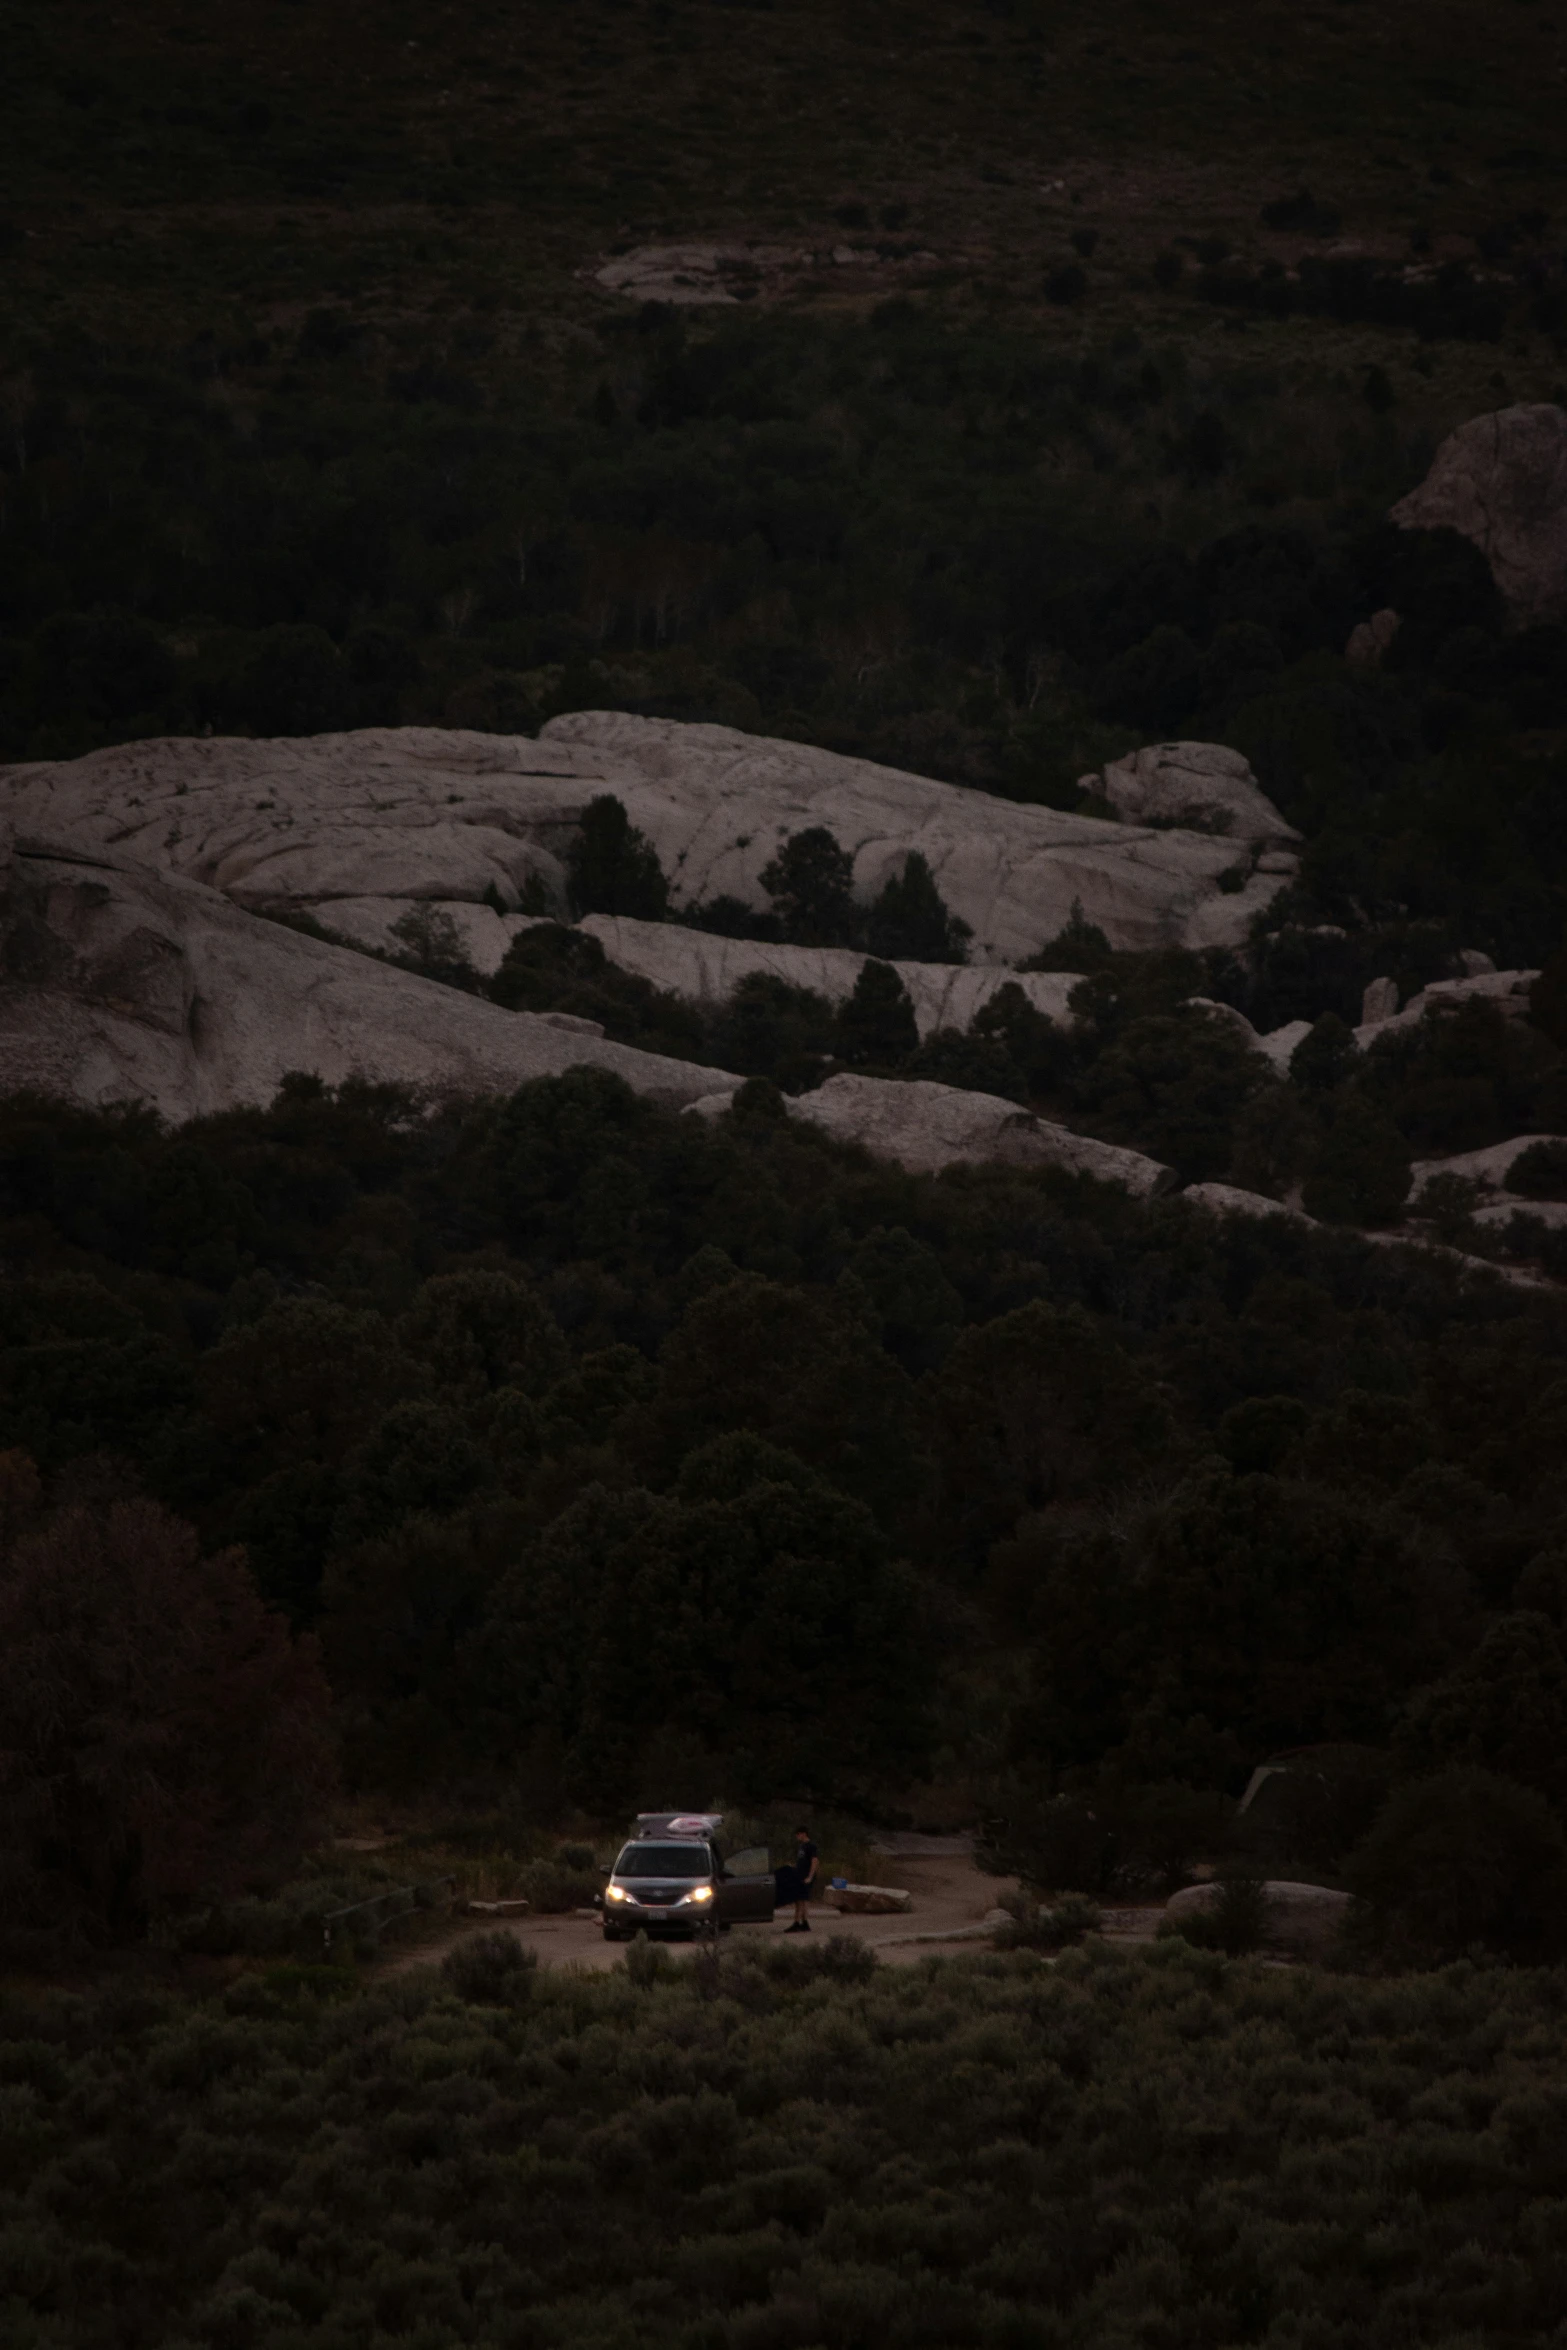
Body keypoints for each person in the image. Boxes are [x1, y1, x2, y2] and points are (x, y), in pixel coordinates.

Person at [785, 1824, 819, 1932]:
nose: (797, 1837)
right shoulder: (801, 1846)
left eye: (798, 1834)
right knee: (801, 1900)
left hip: (806, 1877)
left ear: (803, 1834)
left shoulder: (811, 1846)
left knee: (800, 1900)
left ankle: (796, 1923)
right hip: (799, 1876)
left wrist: (810, 1876)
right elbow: (802, 1861)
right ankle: (804, 1923)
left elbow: (814, 1861)